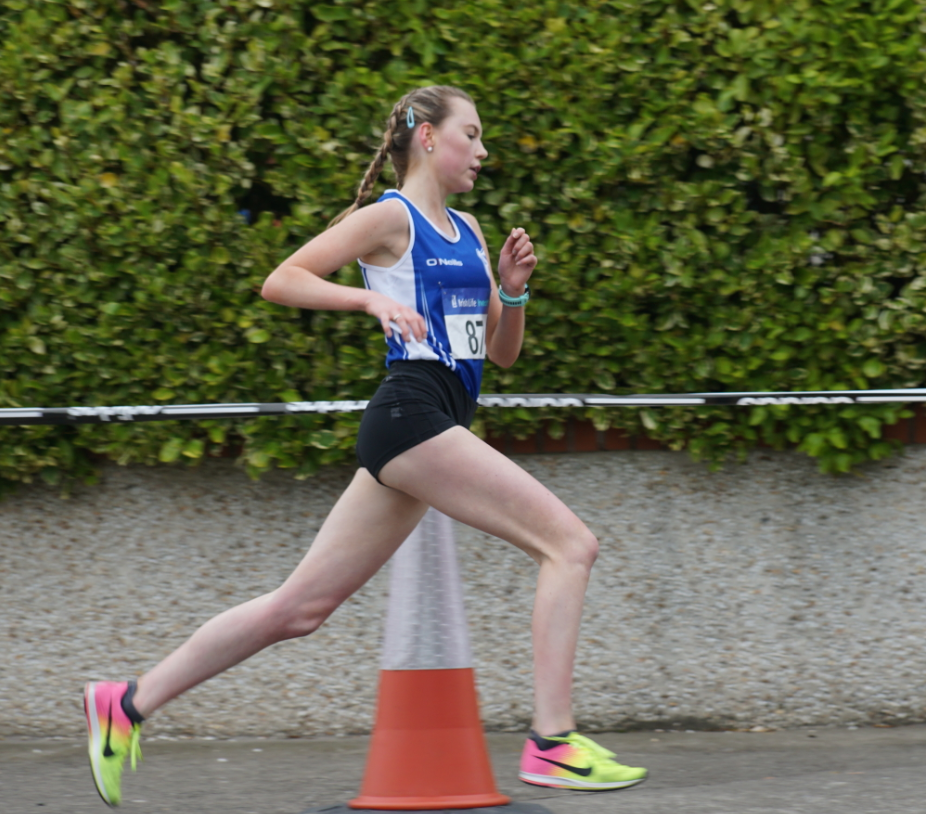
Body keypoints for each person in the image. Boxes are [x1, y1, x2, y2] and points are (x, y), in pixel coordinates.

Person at [82, 85, 647, 807]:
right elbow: (282, 280)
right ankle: (553, 743)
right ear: (428, 138)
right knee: (570, 545)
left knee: (300, 609)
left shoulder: (470, 229)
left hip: (435, 422)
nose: (483, 150)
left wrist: (513, 292)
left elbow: (500, 355)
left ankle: (126, 703)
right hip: (411, 415)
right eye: (471, 134)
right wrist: (370, 298)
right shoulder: (391, 217)